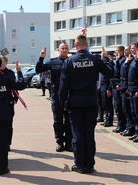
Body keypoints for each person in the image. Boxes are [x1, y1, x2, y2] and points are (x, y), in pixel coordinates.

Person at [59, 34, 113, 174]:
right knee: (89, 133)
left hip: (75, 102)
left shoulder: (69, 61)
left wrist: (63, 102)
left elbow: (63, 85)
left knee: (77, 134)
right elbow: (109, 72)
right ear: (87, 44)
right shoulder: (95, 60)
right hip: (90, 101)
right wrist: (106, 58)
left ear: (75, 45)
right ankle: (89, 165)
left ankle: (80, 165)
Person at [36, 43, 72, 152]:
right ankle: (60, 142)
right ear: (58, 50)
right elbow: (39, 69)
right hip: (56, 93)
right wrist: (41, 58)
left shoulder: (72, 61)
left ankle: (69, 142)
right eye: (62, 48)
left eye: (66, 48)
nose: (64, 50)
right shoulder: (53, 62)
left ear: (68, 50)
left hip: (69, 94)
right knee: (58, 120)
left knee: (70, 120)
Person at [1, 56, 18, 151]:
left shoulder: (10, 73)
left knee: (8, 124)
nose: (2, 63)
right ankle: (1, 143)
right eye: (0, 62)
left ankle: (7, 143)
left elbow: (15, 87)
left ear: (6, 62)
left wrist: (15, 98)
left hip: (8, 102)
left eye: (4, 61)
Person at [108, 46, 126, 132]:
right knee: (117, 106)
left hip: (119, 86)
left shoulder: (123, 60)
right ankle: (120, 125)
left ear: (121, 52)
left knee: (120, 107)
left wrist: (119, 84)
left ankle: (122, 125)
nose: (115, 53)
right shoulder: (118, 61)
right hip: (115, 86)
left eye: (117, 51)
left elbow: (120, 74)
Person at [114, 46, 132, 133]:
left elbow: (128, 75)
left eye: (127, 50)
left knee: (127, 109)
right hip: (121, 85)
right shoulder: (123, 60)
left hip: (126, 86)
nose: (126, 51)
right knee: (121, 108)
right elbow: (117, 73)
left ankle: (128, 127)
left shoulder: (130, 60)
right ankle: (124, 126)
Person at [99, 48, 114, 127]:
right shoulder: (105, 65)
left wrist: (109, 89)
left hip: (106, 86)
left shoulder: (109, 66)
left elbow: (110, 78)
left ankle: (109, 121)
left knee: (108, 105)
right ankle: (106, 119)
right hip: (102, 86)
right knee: (104, 104)